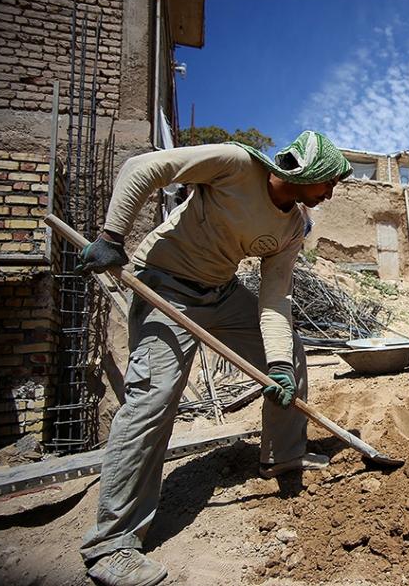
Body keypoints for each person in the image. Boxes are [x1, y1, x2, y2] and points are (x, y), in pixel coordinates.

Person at [76, 131, 353, 586]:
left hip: (221, 293)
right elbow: (143, 168)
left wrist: (278, 364)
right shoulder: (234, 164)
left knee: (292, 359)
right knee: (153, 399)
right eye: (328, 183)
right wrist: (112, 235)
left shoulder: (291, 229)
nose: (330, 193)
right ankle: (112, 544)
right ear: (306, 176)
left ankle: (282, 456)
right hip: (164, 284)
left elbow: (275, 300)